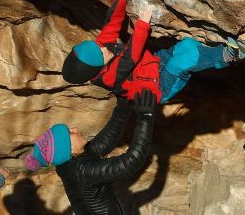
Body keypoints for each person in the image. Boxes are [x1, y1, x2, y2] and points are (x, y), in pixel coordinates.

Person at [61, 0, 245, 103]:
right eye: (100, 54)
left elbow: (111, 25)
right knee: (183, 61)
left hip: (155, 62)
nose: (102, 48)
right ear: (97, 69)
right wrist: (142, 24)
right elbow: (131, 58)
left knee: (188, 45)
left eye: (96, 46)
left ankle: (211, 56)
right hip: (159, 88)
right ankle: (229, 55)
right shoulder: (109, 78)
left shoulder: (100, 49)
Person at [24, 90, 157, 215]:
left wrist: (122, 109)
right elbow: (131, 161)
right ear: (69, 149)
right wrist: (145, 117)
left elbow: (104, 142)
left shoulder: (69, 162)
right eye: (70, 133)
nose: (75, 129)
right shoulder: (83, 170)